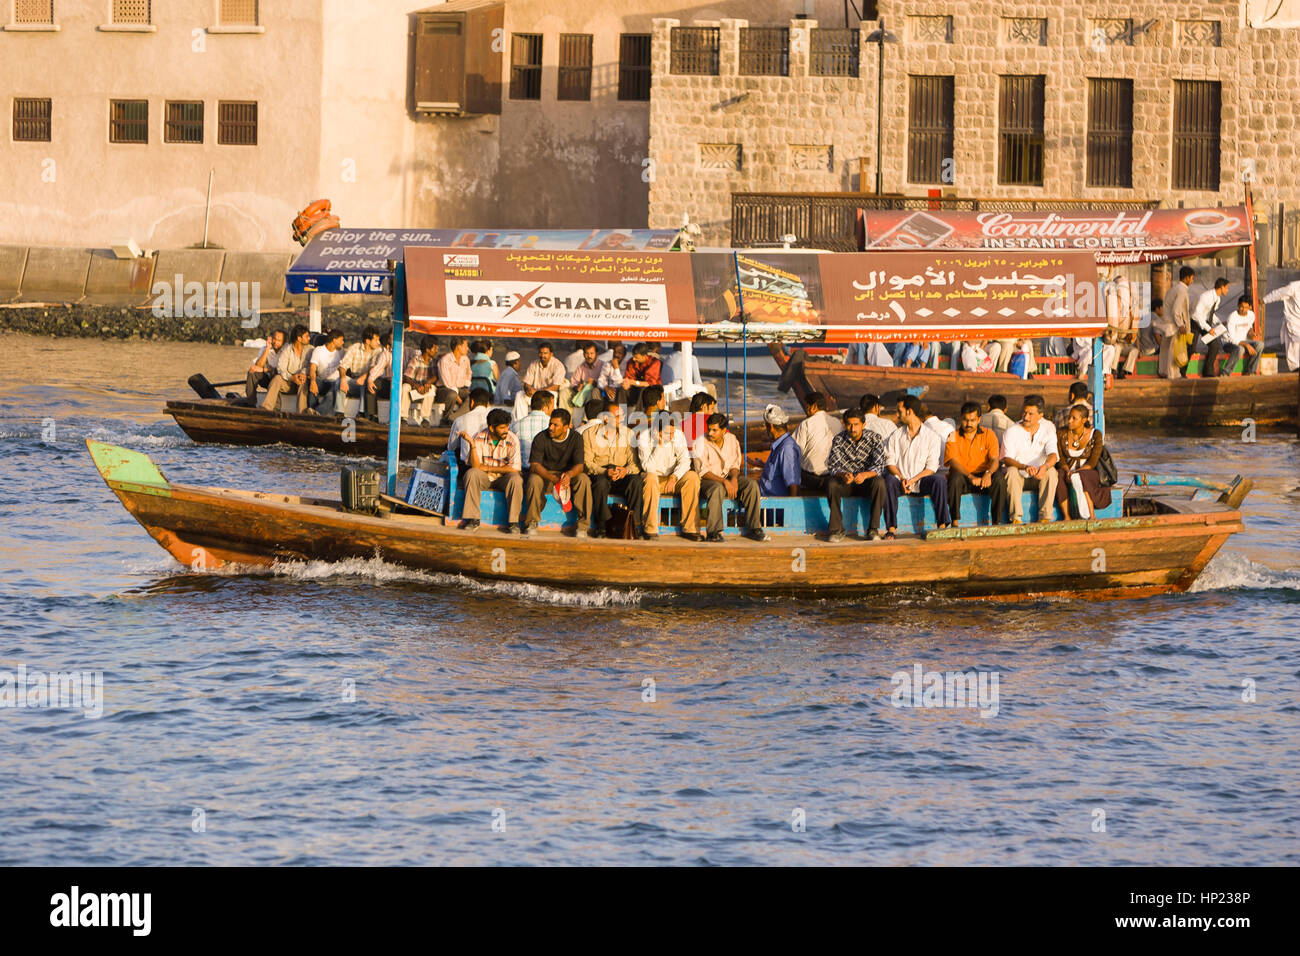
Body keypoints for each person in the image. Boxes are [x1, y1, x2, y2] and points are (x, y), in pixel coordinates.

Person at [691, 413, 766, 542]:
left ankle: (754, 528)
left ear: (723, 430)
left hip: (727, 478)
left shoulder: (732, 440)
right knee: (716, 489)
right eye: (709, 429)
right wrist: (725, 481)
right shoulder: (700, 442)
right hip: (707, 481)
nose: (710, 433)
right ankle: (713, 532)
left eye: (714, 430)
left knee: (751, 485)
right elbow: (703, 472)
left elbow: (735, 464)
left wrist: (734, 479)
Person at [884, 395, 950, 536]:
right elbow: (890, 462)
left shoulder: (932, 436)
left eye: (899, 411)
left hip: (921, 481)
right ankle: (891, 529)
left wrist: (913, 480)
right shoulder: (896, 435)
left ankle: (943, 526)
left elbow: (931, 467)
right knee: (889, 480)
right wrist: (902, 478)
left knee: (940, 481)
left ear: (909, 411)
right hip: (900, 482)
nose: (897, 415)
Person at [523, 408, 593, 537]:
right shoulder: (541, 437)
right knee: (533, 479)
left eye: (555, 425)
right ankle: (531, 522)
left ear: (566, 427)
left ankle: (583, 526)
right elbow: (535, 465)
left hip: (568, 475)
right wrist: (553, 478)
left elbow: (579, 465)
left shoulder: (576, 438)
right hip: (546, 475)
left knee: (583, 479)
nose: (550, 427)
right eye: (550, 423)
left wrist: (569, 475)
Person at [991, 395, 1059, 525]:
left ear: (1040, 416)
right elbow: (1006, 458)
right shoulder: (1012, 431)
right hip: (1019, 475)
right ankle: (1015, 517)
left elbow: (1053, 455)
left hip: (1039, 475)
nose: (1026, 417)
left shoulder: (1048, 430)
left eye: (1031, 414)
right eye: (1024, 412)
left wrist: (1044, 467)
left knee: (1052, 472)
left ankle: (1045, 517)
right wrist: (1024, 466)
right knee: (1011, 471)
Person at [824, 408, 888, 542]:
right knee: (831, 483)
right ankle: (837, 530)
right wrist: (843, 475)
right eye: (849, 424)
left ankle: (873, 529)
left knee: (880, 482)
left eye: (856, 424)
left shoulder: (875, 438)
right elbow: (833, 466)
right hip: (847, 483)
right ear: (844, 424)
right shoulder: (838, 439)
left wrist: (865, 475)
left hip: (867, 482)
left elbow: (880, 465)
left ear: (863, 425)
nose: (852, 428)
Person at [635, 411, 701, 540]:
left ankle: (690, 529)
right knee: (650, 478)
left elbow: (685, 461)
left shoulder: (678, 435)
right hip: (654, 479)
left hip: (673, 479)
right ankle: (650, 529)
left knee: (692, 477)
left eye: (672, 432)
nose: (671, 436)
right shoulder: (644, 437)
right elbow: (648, 467)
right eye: (667, 433)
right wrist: (660, 446)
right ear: (657, 431)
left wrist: (674, 476)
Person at [584, 399, 644, 538]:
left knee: (635, 481)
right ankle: (602, 526)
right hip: (600, 473)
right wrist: (605, 471)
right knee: (600, 483)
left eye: (622, 416)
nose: (622, 420)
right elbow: (587, 463)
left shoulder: (629, 434)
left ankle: (634, 525)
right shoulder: (589, 434)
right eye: (617, 416)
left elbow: (635, 464)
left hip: (621, 474)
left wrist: (625, 471)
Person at [459, 408, 524, 534]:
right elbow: (476, 466)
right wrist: (472, 444)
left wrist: (488, 468)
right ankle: (473, 519)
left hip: (504, 478)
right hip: (484, 478)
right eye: (502, 428)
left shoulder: (512, 439)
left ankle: (513, 522)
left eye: (507, 427)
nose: (506, 430)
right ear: (492, 428)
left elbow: (515, 468)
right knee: (471, 474)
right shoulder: (479, 437)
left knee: (516, 479)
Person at [944, 401, 1000, 528]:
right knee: (955, 478)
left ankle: (997, 522)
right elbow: (952, 461)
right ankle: (955, 521)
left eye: (972, 420)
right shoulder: (953, 435)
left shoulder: (989, 434)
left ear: (979, 419)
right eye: (965, 420)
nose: (968, 424)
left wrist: (988, 473)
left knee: (999, 479)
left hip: (984, 477)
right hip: (964, 476)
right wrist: (970, 476)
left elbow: (995, 459)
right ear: (960, 418)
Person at [1055, 403, 1111, 519]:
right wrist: (1067, 470)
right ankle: (1066, 516)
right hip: (1067, 470)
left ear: (1083, 420)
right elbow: (1060, 459)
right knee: (1059, 475)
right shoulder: (1061, 433)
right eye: (1069, 417)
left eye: (1074, 418)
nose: (1069, 421)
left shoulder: (1095, 434)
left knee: (1079, 477)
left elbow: (1092, 462)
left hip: (1089, 472)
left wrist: (1076, 472)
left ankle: (1089, 515)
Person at [793, 391, 842, 493]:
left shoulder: (806, 423)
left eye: (807, 407)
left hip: (810, 478)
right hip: (832, 477)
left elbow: (795, 452)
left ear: (814, 407)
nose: (806, 410)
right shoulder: (838, 422)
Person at [261, 324, 312, 413]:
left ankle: (302, 413)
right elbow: (281, 369)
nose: (309, 338)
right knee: (277, 378)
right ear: (299, 339)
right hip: (288, 383)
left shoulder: (311, 349)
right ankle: (266, 409)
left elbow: (310, 366)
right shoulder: (287, 350)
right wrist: (292, 377)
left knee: (303, 381)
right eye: (307, 336)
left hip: (302, 382)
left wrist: (303, 374)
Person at [758, 404, 801, 497]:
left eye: (766, 426)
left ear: (771, 426)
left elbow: (793, 484)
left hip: (774, 505)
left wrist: (791, 509)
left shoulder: (787, 448)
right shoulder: (779, 445)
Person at [1191, 277, 1230, 376]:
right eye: (1227, 288)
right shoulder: (1206, 296)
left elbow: (1210, 314)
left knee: (1214, 346)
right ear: (1221, 287)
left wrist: (1219, 323)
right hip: (1195, 322)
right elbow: (1197, 314)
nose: (1227, 290)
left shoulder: (1218, 299)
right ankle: (1182, 373)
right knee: (1191, 348)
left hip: (1204, 322)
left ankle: (1208, 372)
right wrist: (1209, 329)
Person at [1162, 266, 1196, 379]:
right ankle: (1173, 377)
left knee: (1167, 352)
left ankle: (1165, 373)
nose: (1192, 281)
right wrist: (1181, 325)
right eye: (1192, 278)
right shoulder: (1182, 290)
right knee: (1173, 353)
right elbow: (1176, 310)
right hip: (1174, 326)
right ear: (1186, 278)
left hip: (1167, 324)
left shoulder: (1174, 288)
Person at [338, 326, 380, 412]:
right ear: (368, 341)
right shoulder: (354, 348)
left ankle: (361, 413)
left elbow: (374, 367)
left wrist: (364, 377)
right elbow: (343, 366)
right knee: (338, 382)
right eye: (376, 340)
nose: (378, 342)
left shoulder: (378, 351)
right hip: (354, 381)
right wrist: (343, 379)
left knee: (365, 383)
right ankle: (339, 412)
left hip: (367, 380)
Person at [446, 387, 492, 466]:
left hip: (468, 466)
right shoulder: (493, 418)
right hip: (491, 465)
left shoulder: (460, 420)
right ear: (488, 404)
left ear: (472, 402)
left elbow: (451, 447)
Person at [399, 338, 440, 426]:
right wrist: (416, 385)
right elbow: (406, 377)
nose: (437, 350)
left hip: (425, 388)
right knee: (405, 387)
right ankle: (403, 417)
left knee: (432, 388)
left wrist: (428, 382)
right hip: (414, 387)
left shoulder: (433, 362)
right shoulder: (415, 360)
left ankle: (425, 418)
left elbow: (436, 376)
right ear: (428, 350)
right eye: (435, 348)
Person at [1263, 278, 1300, 371]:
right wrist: (1265, 300)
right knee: (1294, 346)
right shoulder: (1294, 287)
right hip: (1293, 323)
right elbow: (1278, 293)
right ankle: (1295, 370)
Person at [307, 328, 346, 415]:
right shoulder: (319, 350)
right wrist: (313, 381)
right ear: (334, 340)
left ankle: (318, 412)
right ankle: (311, 408)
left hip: (335, 382)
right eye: (341, 340)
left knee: (334, 389)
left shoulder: (342, 352)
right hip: (323, 381)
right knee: (314, 381)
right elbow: (312, 368)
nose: (343, 343)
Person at [1222, 296, 1263, 376]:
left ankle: (1251, 372)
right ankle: (1225, 373)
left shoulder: (1251, 315)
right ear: (1238, 305)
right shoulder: (1232, 317)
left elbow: (1249, 327)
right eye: (1241, 307)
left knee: (1260, 344)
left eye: (1246, 307)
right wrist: (1246, 345)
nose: (1243, 310)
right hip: (1228, 343)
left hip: (1243, 342)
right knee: (1240, 349)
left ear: (1250, 307)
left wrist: (1252, 333)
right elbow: (1232, 338)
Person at [512, 390, 554, 469]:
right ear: (545, 408)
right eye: (552, 406)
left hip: (522, 470)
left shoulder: (515, 425)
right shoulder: (553, 426)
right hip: (545, 472)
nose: (553, 409)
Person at [523, 342, 569, 408]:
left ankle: (551, 418)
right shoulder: (533, 364)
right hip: (535, 393)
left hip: (549, 393)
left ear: (551, 354)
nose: (542, 355)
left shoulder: (558, 365)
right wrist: (529, 389)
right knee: (520, 395)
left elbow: (556, 387)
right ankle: (520, 418)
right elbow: (527, 383)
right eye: (540, 353)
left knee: (553, 395)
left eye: (545, 353)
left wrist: (538, 391)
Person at [436, 337, 473, 419]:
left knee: (473, 397)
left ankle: (452, 418)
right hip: (444, 389)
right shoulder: (445, 360)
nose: (468, 349)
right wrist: (458, 399)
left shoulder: (465, 359)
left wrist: (466, 386)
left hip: (460, 389)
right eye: (466, 346)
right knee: (452, 395)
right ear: (459, 347)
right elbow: (448, 383)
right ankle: (446, 417)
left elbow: (469, 374)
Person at [245, 329, 285, 404]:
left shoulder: (286, 350)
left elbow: (281, 370)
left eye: (279, 340)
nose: (276, 342)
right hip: (268, 378)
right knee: (252, 372)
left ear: (283, 342)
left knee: (277, 378)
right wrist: (267, 348)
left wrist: (264, 369)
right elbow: (258, 366)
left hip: (280, 380)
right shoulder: (265, 348)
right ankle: (250, 403)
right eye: (274, 339)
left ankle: (276, 407)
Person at [361, 330, 393, 422]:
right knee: (372, 383)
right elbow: (378, 368)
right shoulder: (386, 353)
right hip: (388, 383)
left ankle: (400, 418)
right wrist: (370, 379)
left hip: (401, 383)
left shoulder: (409, 352)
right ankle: (372, 415)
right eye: (391, 339)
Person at [568, 342, 606, 407]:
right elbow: (574, 381)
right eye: (587, 353)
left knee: (591, 390)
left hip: (598, 393)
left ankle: (589, 415)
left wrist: (594, 382)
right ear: (583, 354)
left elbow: (606, 383)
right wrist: (577, 387)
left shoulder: (603, 365)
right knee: (564, 391)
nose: (589, 356)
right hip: (582, 392)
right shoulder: (581, 367)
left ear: (596, 354)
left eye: (591, 353)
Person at [623, 344, 662, 409]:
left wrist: (634, 383)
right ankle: (620, 413)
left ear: (644, 356)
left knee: (643, 390)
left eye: (636, 357)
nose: (634, 359)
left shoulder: (655, 362)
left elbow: (650, 383)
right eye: (633, 356)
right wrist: (626, 384)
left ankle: (638, 416)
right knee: (622, 391)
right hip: (635, 388)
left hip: (652, 390)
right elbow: (629, 377)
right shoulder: (631, 362)